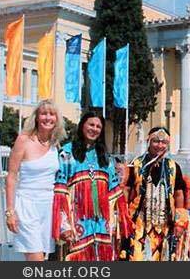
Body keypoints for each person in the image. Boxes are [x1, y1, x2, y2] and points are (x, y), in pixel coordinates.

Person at [52, 111, 132, 261]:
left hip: (101, 223)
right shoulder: (67, 153)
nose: (94, 129)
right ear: (82, 126)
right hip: (76, 221)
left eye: (98, 126)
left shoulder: (104, 157)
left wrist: (114, 221)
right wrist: (64, 225)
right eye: (91, 124)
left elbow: (113, 193)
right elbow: (60, 193)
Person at [5, 100, 66, 261]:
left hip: (48, 207)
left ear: (57, 119)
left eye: (52, 114)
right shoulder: (23, 140)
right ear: (37, 118)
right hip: (26, 206)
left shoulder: (55, 145)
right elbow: (11, 176)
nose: (48, 118)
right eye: (44, 113)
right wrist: (10, 211)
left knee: (43, 258)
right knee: (36, 259)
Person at [120, 127, 190, 261]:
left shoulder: (173, 167)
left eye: (164, 142)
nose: (160, 145)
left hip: (164, 224)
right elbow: (127, 190)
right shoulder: (136, 164)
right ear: (149, 142)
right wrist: (124, 216)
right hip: (139, 222)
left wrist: (180, 222)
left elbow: (179, 194)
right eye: (156, 141)